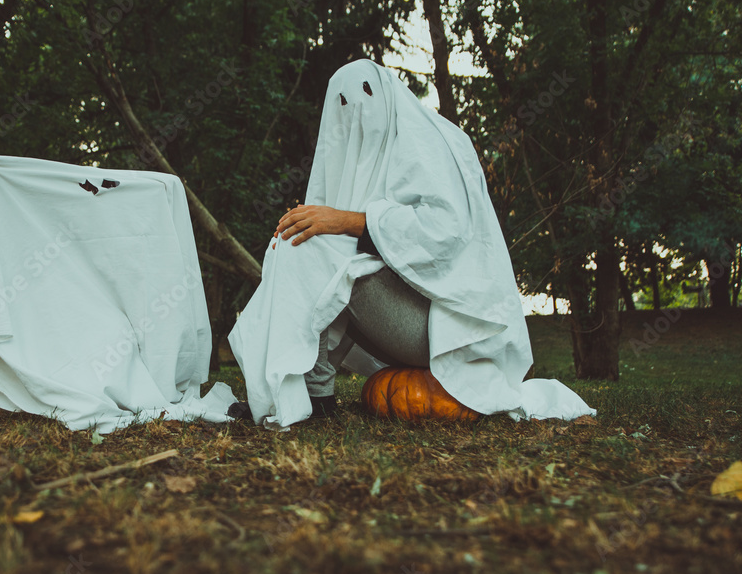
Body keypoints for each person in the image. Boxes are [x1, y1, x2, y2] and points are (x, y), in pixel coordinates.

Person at [227, 59, 595, 430]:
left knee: (308, 246)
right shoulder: (363, 158)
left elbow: (445, 230)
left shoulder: (430, 141)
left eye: (366, 93)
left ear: (388, 93)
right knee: (299, 242)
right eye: (341, 102)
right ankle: (303, 394)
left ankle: (314, 397)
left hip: (450, 332)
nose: (355, 109)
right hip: (401, 321)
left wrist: (348, 221)